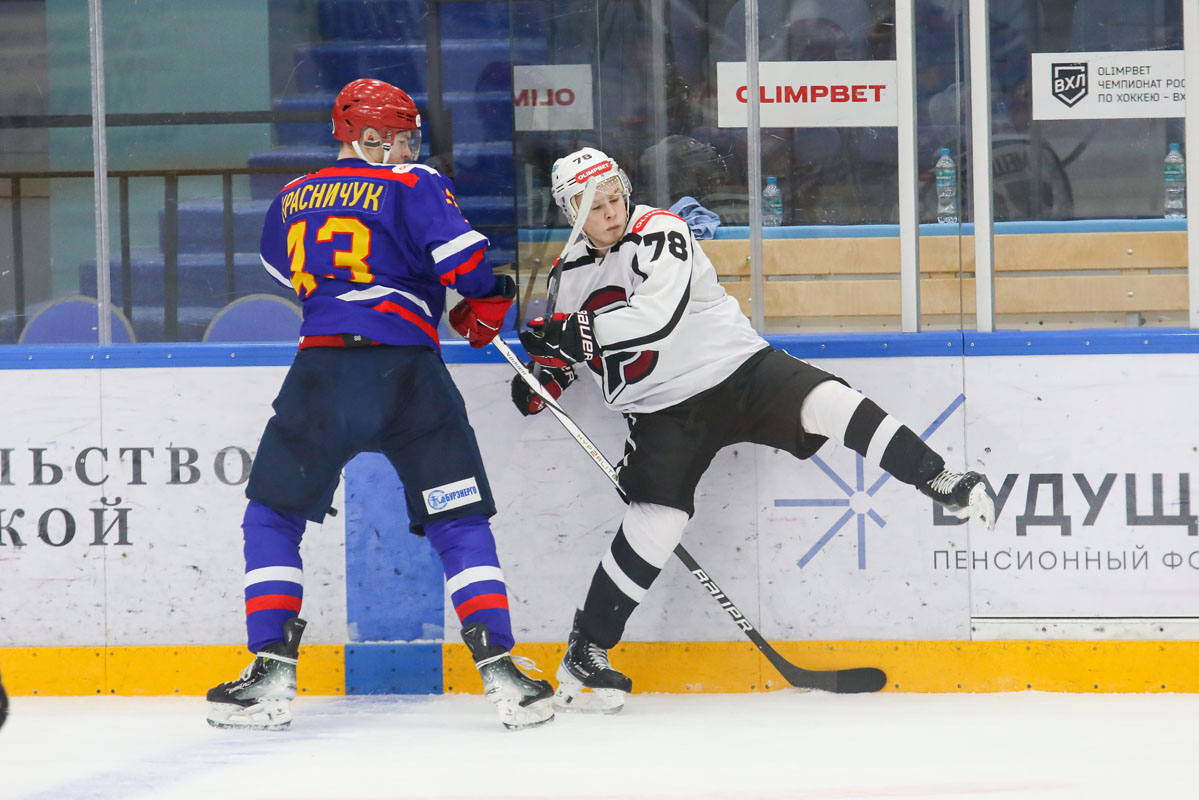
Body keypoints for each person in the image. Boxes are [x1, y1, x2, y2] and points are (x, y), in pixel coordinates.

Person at [513, 147, 997, 714]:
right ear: (571, 211)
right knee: (656, 520)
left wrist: (572, 335)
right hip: (662, 411)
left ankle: (940, 479)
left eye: (616, 197)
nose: (612, 211)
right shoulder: (568, 273)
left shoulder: (660, 230)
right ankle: (586, 650)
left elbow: (655, 317)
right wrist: (544, 377)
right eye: (596, 206)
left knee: (829, 402)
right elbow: (571, 351)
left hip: (737, 369)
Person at [205, 78, 554, 732]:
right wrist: (488, 297)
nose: (405, 149)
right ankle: (502, 669)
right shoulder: (416, 183)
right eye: (396, 137)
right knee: (457, 517)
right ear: (366, 136)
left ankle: (270, 670)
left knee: (273, 516)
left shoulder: (292, 196)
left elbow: (288, 271)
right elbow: (465, 264)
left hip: (322, 373)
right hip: (407, 373)